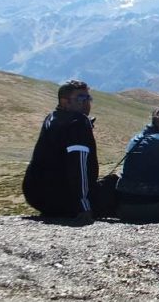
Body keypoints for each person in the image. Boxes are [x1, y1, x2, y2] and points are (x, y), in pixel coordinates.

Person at [22, 79, 98, 223]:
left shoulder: (51, 118)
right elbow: (78, 166)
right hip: (64, 199)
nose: (87, 103)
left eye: (89, 98)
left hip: (36, 197)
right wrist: (83, 205)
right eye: (81, 98)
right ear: (65, 102)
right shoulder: (78, 123)